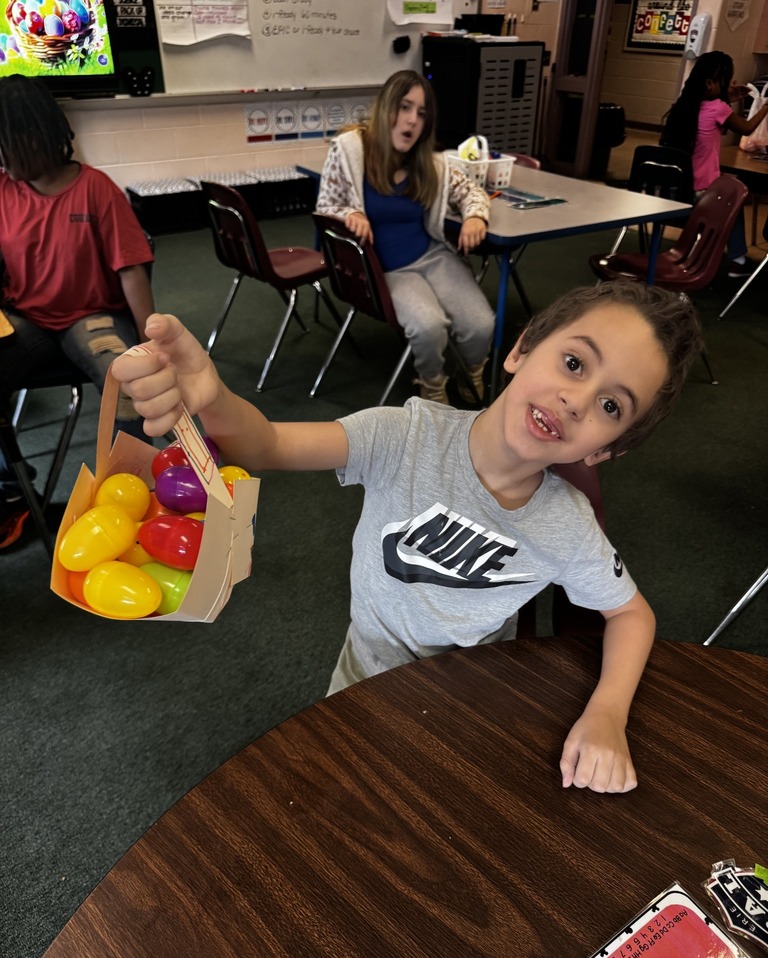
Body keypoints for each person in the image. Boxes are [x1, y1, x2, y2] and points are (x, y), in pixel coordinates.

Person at [112, 280, 703, 795]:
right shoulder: (404, 436)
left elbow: (632, 614)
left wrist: (607, 713)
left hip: (469, 700)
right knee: (337, 789)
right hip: (360, 672)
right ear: (521, 349)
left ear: (605, 450)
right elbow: (265, 444)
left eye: (609, 405)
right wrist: (212, 399)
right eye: (574, 363)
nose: (575, 401)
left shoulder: (566, 524)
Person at [0, 75, 155, 548]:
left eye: (4, 147)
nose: (1, 159)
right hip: (27, 319)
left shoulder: (96, 189)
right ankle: (11, 486)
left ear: (34, 139)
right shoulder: (4, 190)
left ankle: (132, 495)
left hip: (90, 317)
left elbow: (131, 271)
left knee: (130, 382)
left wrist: (151, 344)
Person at [315, 70, 494, 407]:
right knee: (429, 326)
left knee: (481, 324)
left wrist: (474, 215)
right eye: (405, 107)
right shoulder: (351, 150)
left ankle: (471, 373)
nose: (412, 120)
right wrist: (349, 214)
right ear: (386, 109)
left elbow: (471, 191)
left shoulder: (431, 163)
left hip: (431, 256)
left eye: (422, 113)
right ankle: (432, 385)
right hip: (387, 270)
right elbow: (326, 207)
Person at [660, 50, 768, 279]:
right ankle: (738, 261)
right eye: (728, 81)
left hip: (676, 190)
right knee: (734, 197)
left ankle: (736, 258)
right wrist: (766, 107)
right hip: (701, 193)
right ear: (710, 84)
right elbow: (747, 128)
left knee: (731, 196)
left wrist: (728, 97)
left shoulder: (683, 107)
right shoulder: (718, 108)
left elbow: (711, 113)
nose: (733, 84)